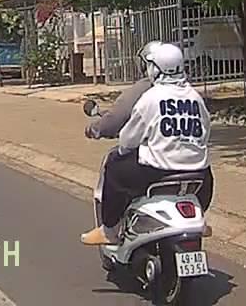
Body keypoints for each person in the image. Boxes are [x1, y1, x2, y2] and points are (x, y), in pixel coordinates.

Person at [81, 41, 214, 246]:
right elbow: (205, 132)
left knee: (114, 166)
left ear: (155, 68)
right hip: (199, 174)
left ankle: (110, 230)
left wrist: (128, 149)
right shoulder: (195, 98)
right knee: (207, 174)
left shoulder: (151, 97)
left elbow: (128, 140)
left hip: (157, 171)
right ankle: (198, 217)